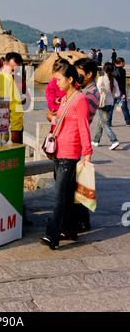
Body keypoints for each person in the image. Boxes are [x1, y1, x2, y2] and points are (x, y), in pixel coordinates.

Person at [40, 62, 92, 249]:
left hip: (69, 153)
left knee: (59, 195)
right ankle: (69, 229)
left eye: (59, 79)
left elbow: (83, 128)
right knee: (67, 193)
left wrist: (87, 153)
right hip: (59, 151)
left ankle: (52, 234)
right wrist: (52, 118)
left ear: (70, 79)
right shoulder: (64, 99)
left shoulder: (80, 100)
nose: (56, 83)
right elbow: (65, 121)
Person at [74, 57, 100, 232]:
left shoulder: (89, 95)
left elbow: (79, 120)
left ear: (89, 74)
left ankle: (82, 221)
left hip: (77, 142)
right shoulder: (85, 90)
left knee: (76, 184)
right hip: (78, 140)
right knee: (76, 183)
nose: (76, 76)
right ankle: (80, 219)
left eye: (79, 73)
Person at [92, 62, 120, 150]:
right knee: (99, 123)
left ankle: (114, 140)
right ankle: (96, 140)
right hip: (110, 104)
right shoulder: (114, 80)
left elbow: (97, 91)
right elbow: (118, 94)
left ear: (104, 69)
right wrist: (111, 95)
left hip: (102, 104)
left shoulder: (101, 78)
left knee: (104, 124)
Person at [108, 57, 130, 126]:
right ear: (121, 63)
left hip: (112, 90)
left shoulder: (112, 70)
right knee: (124, 106)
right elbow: (122, 83)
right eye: (123, 63)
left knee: (111, 107)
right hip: (120, 91)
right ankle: (128, 121)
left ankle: (108, 121)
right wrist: (123, 93)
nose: (124, 64)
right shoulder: (122, 71)